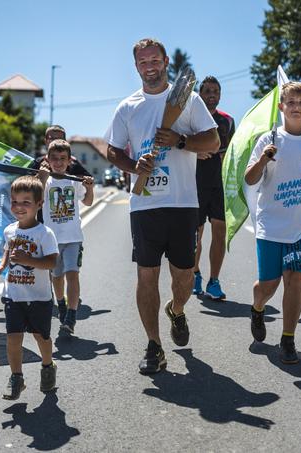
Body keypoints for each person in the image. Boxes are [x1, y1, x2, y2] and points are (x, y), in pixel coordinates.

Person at [105, 38, 220, 374]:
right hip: (144, 206)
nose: (149, 66)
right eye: (143, 62)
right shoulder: (127, 107)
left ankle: (178, 309)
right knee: (146, 276)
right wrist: (133, 166)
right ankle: (154, 345)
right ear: (136, 66)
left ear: (166, 61)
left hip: (183, 203)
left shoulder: (189, 100)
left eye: (154, 60)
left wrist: (181, 141)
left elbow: (212, 140)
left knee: (184, 276)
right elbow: (113, 151)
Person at [244, 81, 301, 364]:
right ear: (281, 107)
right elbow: (250, 179)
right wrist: (262, 160)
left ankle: (288, 339)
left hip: (300, 228)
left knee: (295, 280)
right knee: (268, 285)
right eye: (291, 102)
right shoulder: (268, 140)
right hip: (270, 226)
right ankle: (258, 307)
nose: (296, 107)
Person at [0, 176, 59, 400]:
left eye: (26, 202)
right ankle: (16, 378)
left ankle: (48, 366)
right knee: (13, 338)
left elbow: (51, 263)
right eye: (15, 202)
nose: (19, 207)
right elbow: (8, 252)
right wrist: (0, 268)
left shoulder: (45, 234)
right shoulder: (10, 230)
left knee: (41, 337)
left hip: (39, 297)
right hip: (13, 295)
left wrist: (29, 261)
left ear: (39, 204)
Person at [37, 139, 95, 335]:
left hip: (73, 238)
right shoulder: (44, 181)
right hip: (52, 240)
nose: (59, 163)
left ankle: (71, 315)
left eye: (63, 159)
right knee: (57, 277)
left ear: (69, 160)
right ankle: (61, 303)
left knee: (73, 274)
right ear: (47, 160)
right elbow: (37, 201)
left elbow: (88, 202)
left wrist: (90, 188)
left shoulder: (73, 180)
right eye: (55, 159)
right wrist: (42, 178)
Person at [193, 76, 236, 300]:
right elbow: (180, 147)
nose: (211, 95)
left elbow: (234, 152)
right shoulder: (190, 119)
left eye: (215, 91)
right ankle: (196, 273)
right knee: (196, 237)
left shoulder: (228, 121)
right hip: (195, 185)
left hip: (219, 186)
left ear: (219, 95)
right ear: (200, 95)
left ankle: (214, 281)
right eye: (207, 91)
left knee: (219, 233)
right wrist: (195, 152)